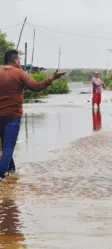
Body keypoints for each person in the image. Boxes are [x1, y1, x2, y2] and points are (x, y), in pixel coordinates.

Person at [0, 50, 65, 179]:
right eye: (19, 60)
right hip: (12, 116)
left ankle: (12, 172)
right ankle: (1, 176)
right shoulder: (19, 73)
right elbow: (37, 87)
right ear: (14, 60)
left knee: (5, 145)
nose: (20, 62)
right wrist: (53, 77)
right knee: (8, 147)